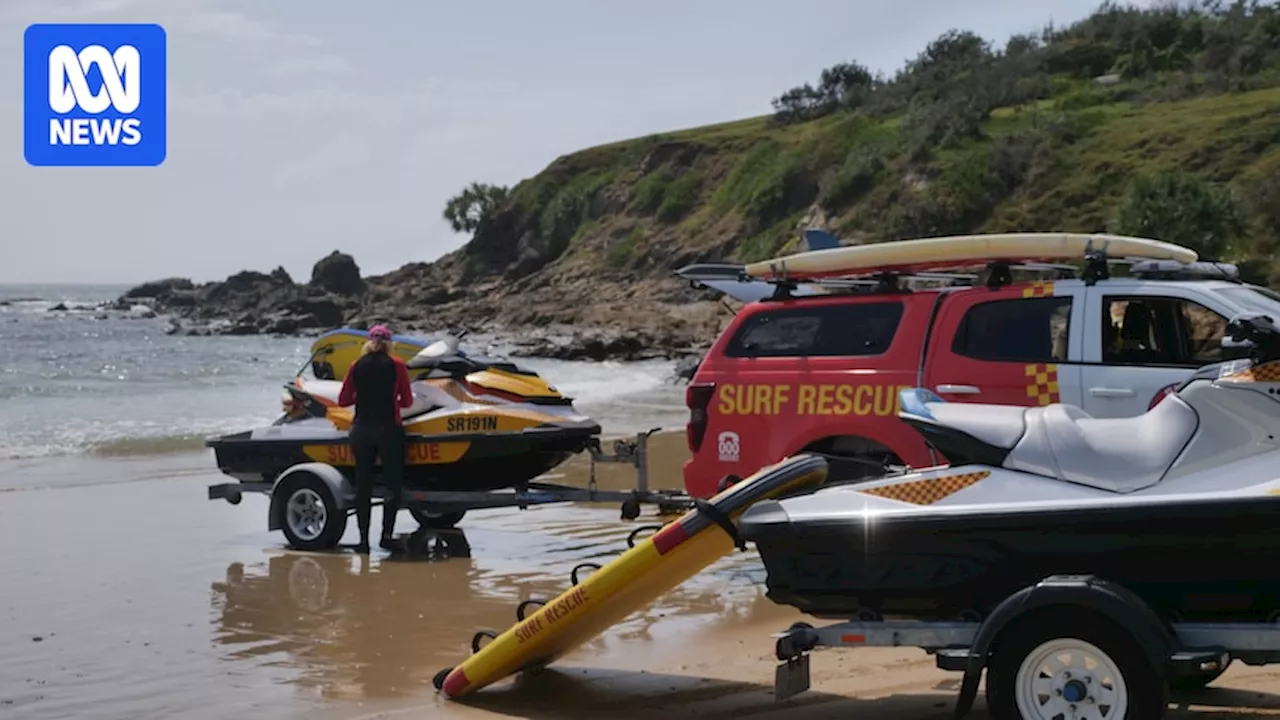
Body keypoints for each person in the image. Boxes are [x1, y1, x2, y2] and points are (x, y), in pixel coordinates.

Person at [336, 324, 414, 552]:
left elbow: (343, 400)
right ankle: (386, 536)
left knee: (364, 485)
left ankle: (363, 541)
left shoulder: (356, 365)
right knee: (393, 484)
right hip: (388, 429)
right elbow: (407, 401)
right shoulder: (397, 365)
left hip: (361, 430)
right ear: (389, 344)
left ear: (367, 343)